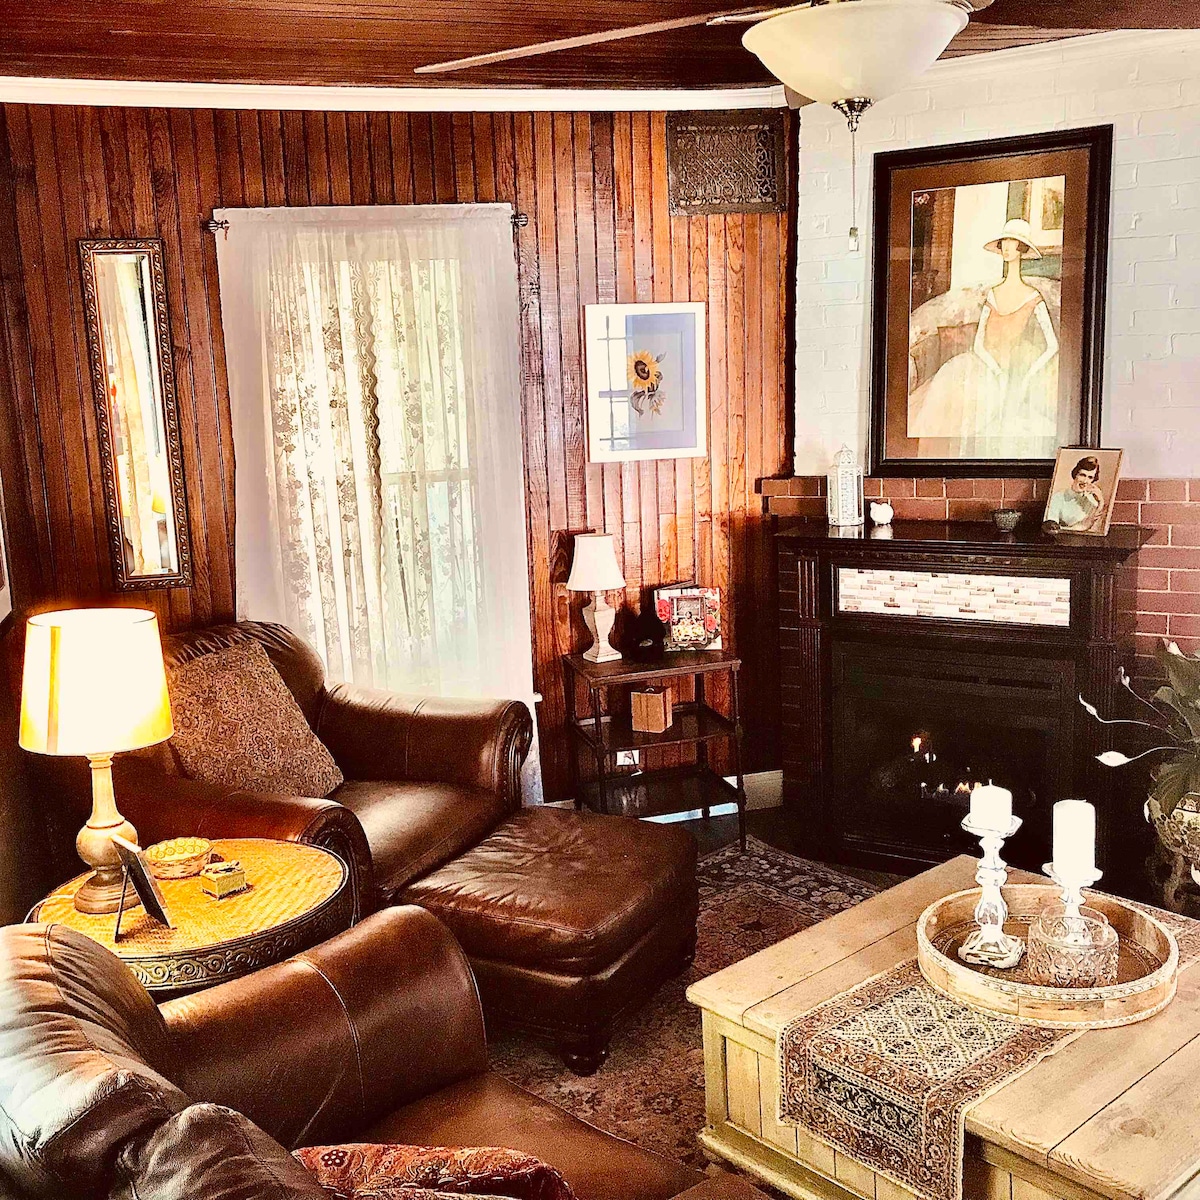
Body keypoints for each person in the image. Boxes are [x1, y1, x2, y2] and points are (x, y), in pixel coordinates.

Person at [908, 217, 1059, 457]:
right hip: (980, 364)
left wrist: (1028, 374)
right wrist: (992, 368)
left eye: (1012, 242)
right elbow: (979, 341)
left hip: (1008, 371)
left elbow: (1052, 346)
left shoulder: (1033, 297)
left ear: (1021, 248)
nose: (1007, 247)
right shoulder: (993, 294)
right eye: (1004, 242)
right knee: (945, 389)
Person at [1043, 454, 1105, 533]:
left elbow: (1096, 530)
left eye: (1090, 477)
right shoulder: (1058, 497)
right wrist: (1081, 527)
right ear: (1075, 474)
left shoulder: (1092, 501)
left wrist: (1101, 502)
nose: (1085, 481)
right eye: (1082, 475)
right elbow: (1050, 529)